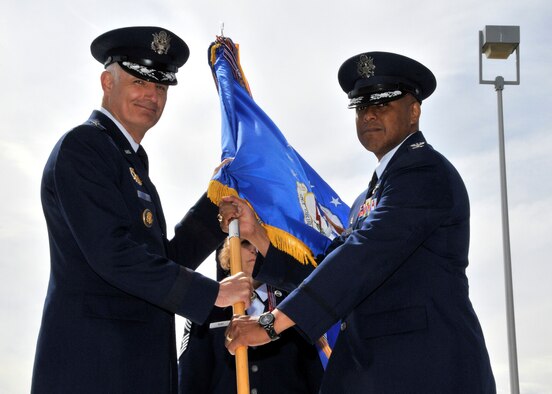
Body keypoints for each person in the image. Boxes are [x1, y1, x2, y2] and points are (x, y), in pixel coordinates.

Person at [220, 52, 496, 393]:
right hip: (379, 375)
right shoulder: (368, 199)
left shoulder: (425, 173)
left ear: (414, 111)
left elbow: (364, 255)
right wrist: (258, 235)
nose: (370, 114)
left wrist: (272, 323)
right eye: (361, 106)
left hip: (425, 372)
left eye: (383, 103)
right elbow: (328, 270)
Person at [31, 26, 252, 393]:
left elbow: (157, 257)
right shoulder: (83, 147)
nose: (152, 95)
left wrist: (215, 209)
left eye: (161, 87)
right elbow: (112, 254)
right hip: (94, 368)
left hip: (133, 367)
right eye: (139, 82)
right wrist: (211, 294)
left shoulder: (129, 159)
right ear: (107, 81)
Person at [177, 238, 323, 393]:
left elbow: (316, 374)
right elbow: (191, 378)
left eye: (259, 240)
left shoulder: (294, 304)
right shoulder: (208, 308)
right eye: (245, 242)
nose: (254, 249)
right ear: (228, 251)